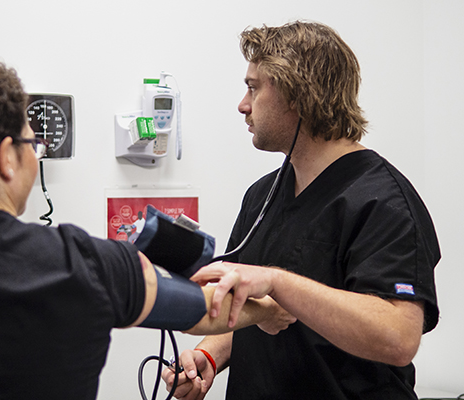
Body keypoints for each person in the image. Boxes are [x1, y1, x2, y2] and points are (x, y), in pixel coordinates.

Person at [0, 53, 296, 400]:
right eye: (32, 144)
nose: (35, 155)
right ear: (6, 158)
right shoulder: (88, 263)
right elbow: (205, 311)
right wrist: (270, 310)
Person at [162, 21, 440, 399]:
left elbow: (398, 337)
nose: (243, 105)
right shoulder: (262, 195)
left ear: (297, 93)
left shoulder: (383, 201)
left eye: (253, 88)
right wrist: (207, 357)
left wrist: (278, 282)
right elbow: (249, 307)